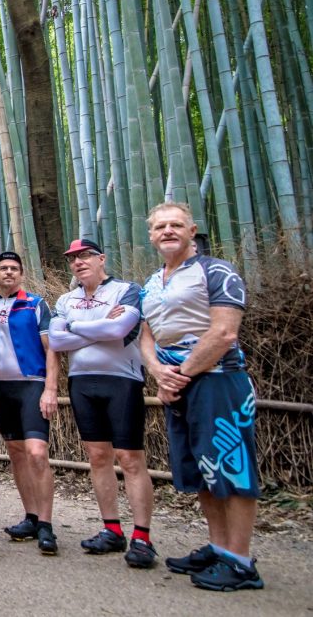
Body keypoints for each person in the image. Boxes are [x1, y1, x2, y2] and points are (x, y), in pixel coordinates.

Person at [139, 203, 262, 591]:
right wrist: (158, 372)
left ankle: (241, 562)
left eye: (176, 225)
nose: (168, 231)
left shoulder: (216, 271)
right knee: (204, 471)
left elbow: (224, 332)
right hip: (177, 384)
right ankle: (219, 546)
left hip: (218, 380)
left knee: (232, 465)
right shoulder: (153, 281)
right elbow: (145, 335)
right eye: (160, 226)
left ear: (192, 230)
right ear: (151, 235)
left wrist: (182, 374)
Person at [48, 237, 158, 569]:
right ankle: (112, 528)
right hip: (82, 381)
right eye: (73, 259)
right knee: (97, 456)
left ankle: (142, 537)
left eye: (85, 256)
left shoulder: (126, 290)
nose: (79, 263)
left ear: (102, 259)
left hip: (122, 380)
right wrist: (101, 327)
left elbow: (123, 328)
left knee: (130, 457)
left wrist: (77, 328)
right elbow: (56, 339)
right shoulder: (66, 298)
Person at [0, 252, 59, 555]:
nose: (8, 273)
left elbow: (52, 348)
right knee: (16, 452)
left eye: (14, 269)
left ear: (21, 274)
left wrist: (51, 389)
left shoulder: (35, 303)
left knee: (37, 452)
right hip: (2, 388)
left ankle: (46, 524)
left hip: (32, 383)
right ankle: (30, 516)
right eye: (3, 268)